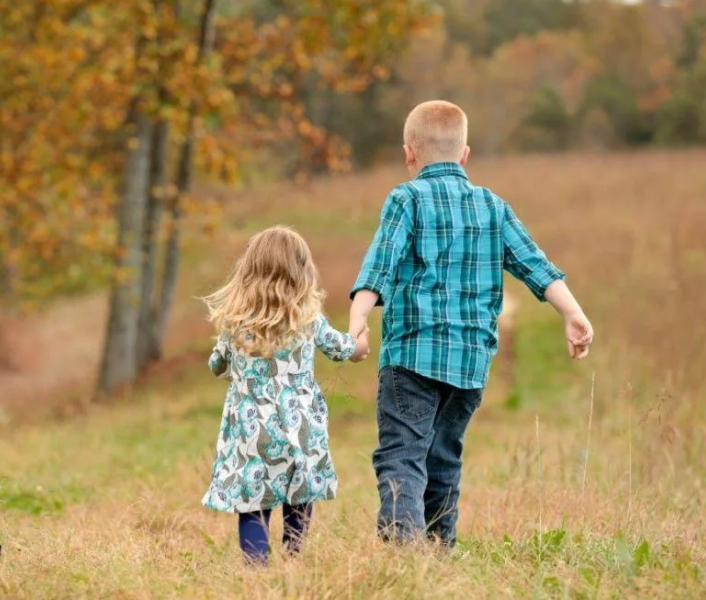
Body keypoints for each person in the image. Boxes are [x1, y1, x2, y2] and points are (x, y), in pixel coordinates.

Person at [349, 100, 594, 547]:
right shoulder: (493, 207)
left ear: (409, 153)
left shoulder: (406, 199)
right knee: (443, 457)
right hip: (469, 365)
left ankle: (404, 556)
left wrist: (358, 318)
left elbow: (379, 265)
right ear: (465, 155)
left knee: (402, 454)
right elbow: (535, 265)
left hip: (411, 357)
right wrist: (572, 312)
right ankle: (440, 552)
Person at [201, 226, 370, 564]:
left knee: (254, 498)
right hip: (300, 421)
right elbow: (341, 349)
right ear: (301, 271)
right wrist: (359, 343)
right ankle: (294, 555)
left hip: (252, 427)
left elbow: (218, 365)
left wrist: (235, 368)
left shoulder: (237, 322)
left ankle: (256, 567)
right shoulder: (308, 317)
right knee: (301, 487)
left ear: (249, 271)